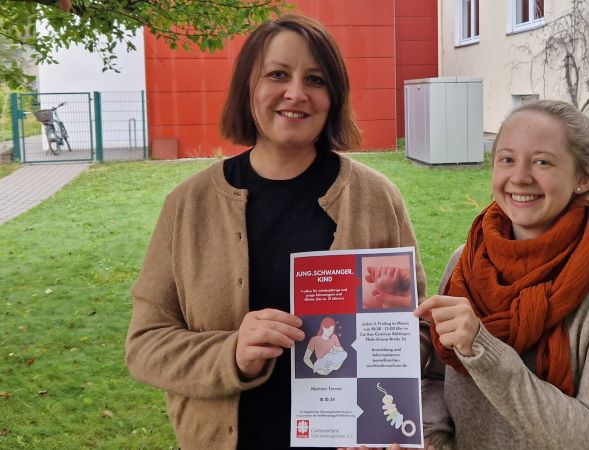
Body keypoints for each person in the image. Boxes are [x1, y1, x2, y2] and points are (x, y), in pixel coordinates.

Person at [125, 14, 425, 450]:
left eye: (316, 79)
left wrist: (383, 412)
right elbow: (145, 346)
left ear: (333, 96)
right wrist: (232, 354)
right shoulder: (188, 206)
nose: (296, 93)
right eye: (278, 74)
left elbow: (413, 334)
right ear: (249, 88)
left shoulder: (376, 199)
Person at [415, 100, 589, 449]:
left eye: (542, 162)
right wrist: (434, 436)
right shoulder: (466, 262)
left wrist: (484, 351)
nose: (519, 177)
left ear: (583, 178)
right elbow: (435, 378)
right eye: (507, 159)